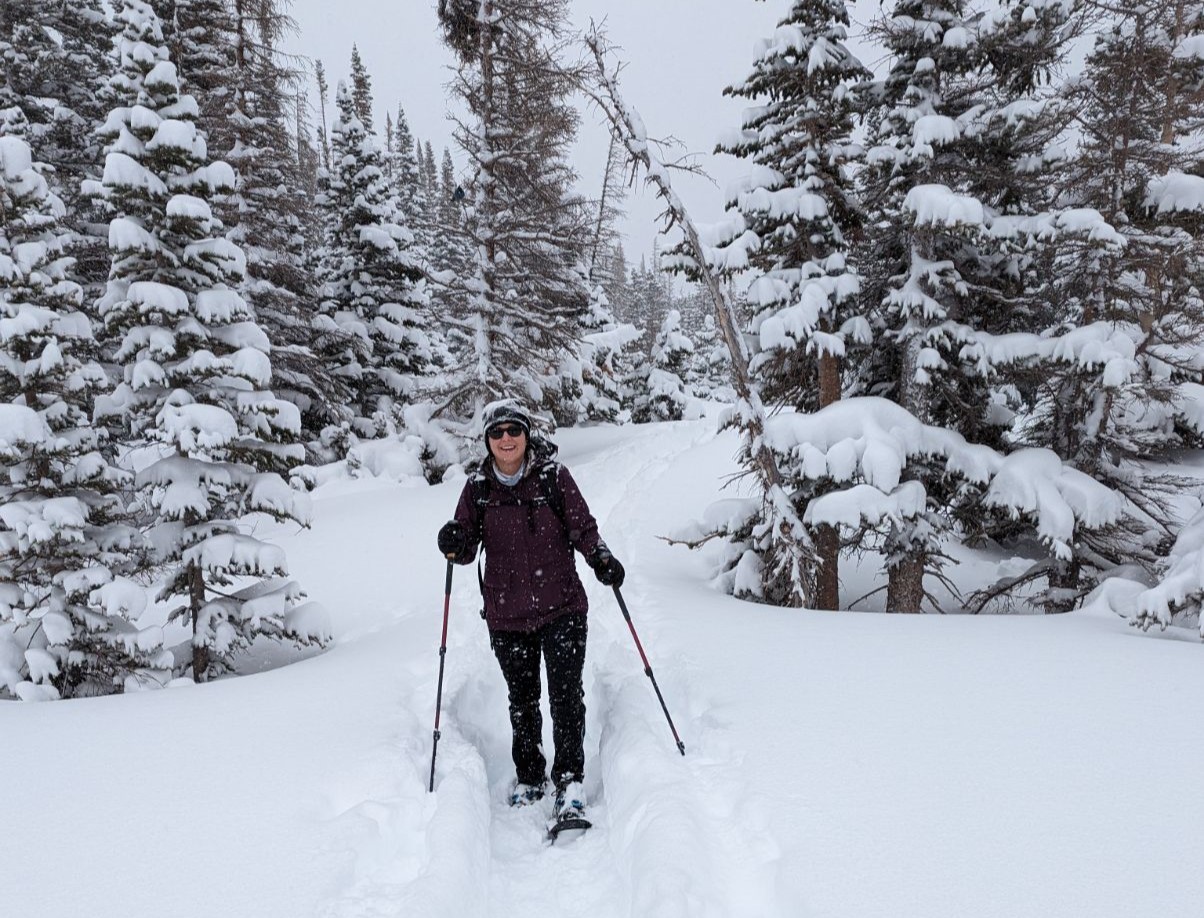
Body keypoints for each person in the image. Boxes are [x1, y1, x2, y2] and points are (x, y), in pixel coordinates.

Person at [436, 399, 625, 822]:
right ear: (487, 440)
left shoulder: (553, 478)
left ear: (526, 434)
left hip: (563, 608)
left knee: (565, 696)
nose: (506, 439)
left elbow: (583, 527)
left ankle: (570, 779)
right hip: (507, 614)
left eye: (514, 430)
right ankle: (529, 775)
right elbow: (464, 548)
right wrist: (453, 540)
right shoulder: (478, 489)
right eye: (497, 432)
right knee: (522, 700)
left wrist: (601, 558)